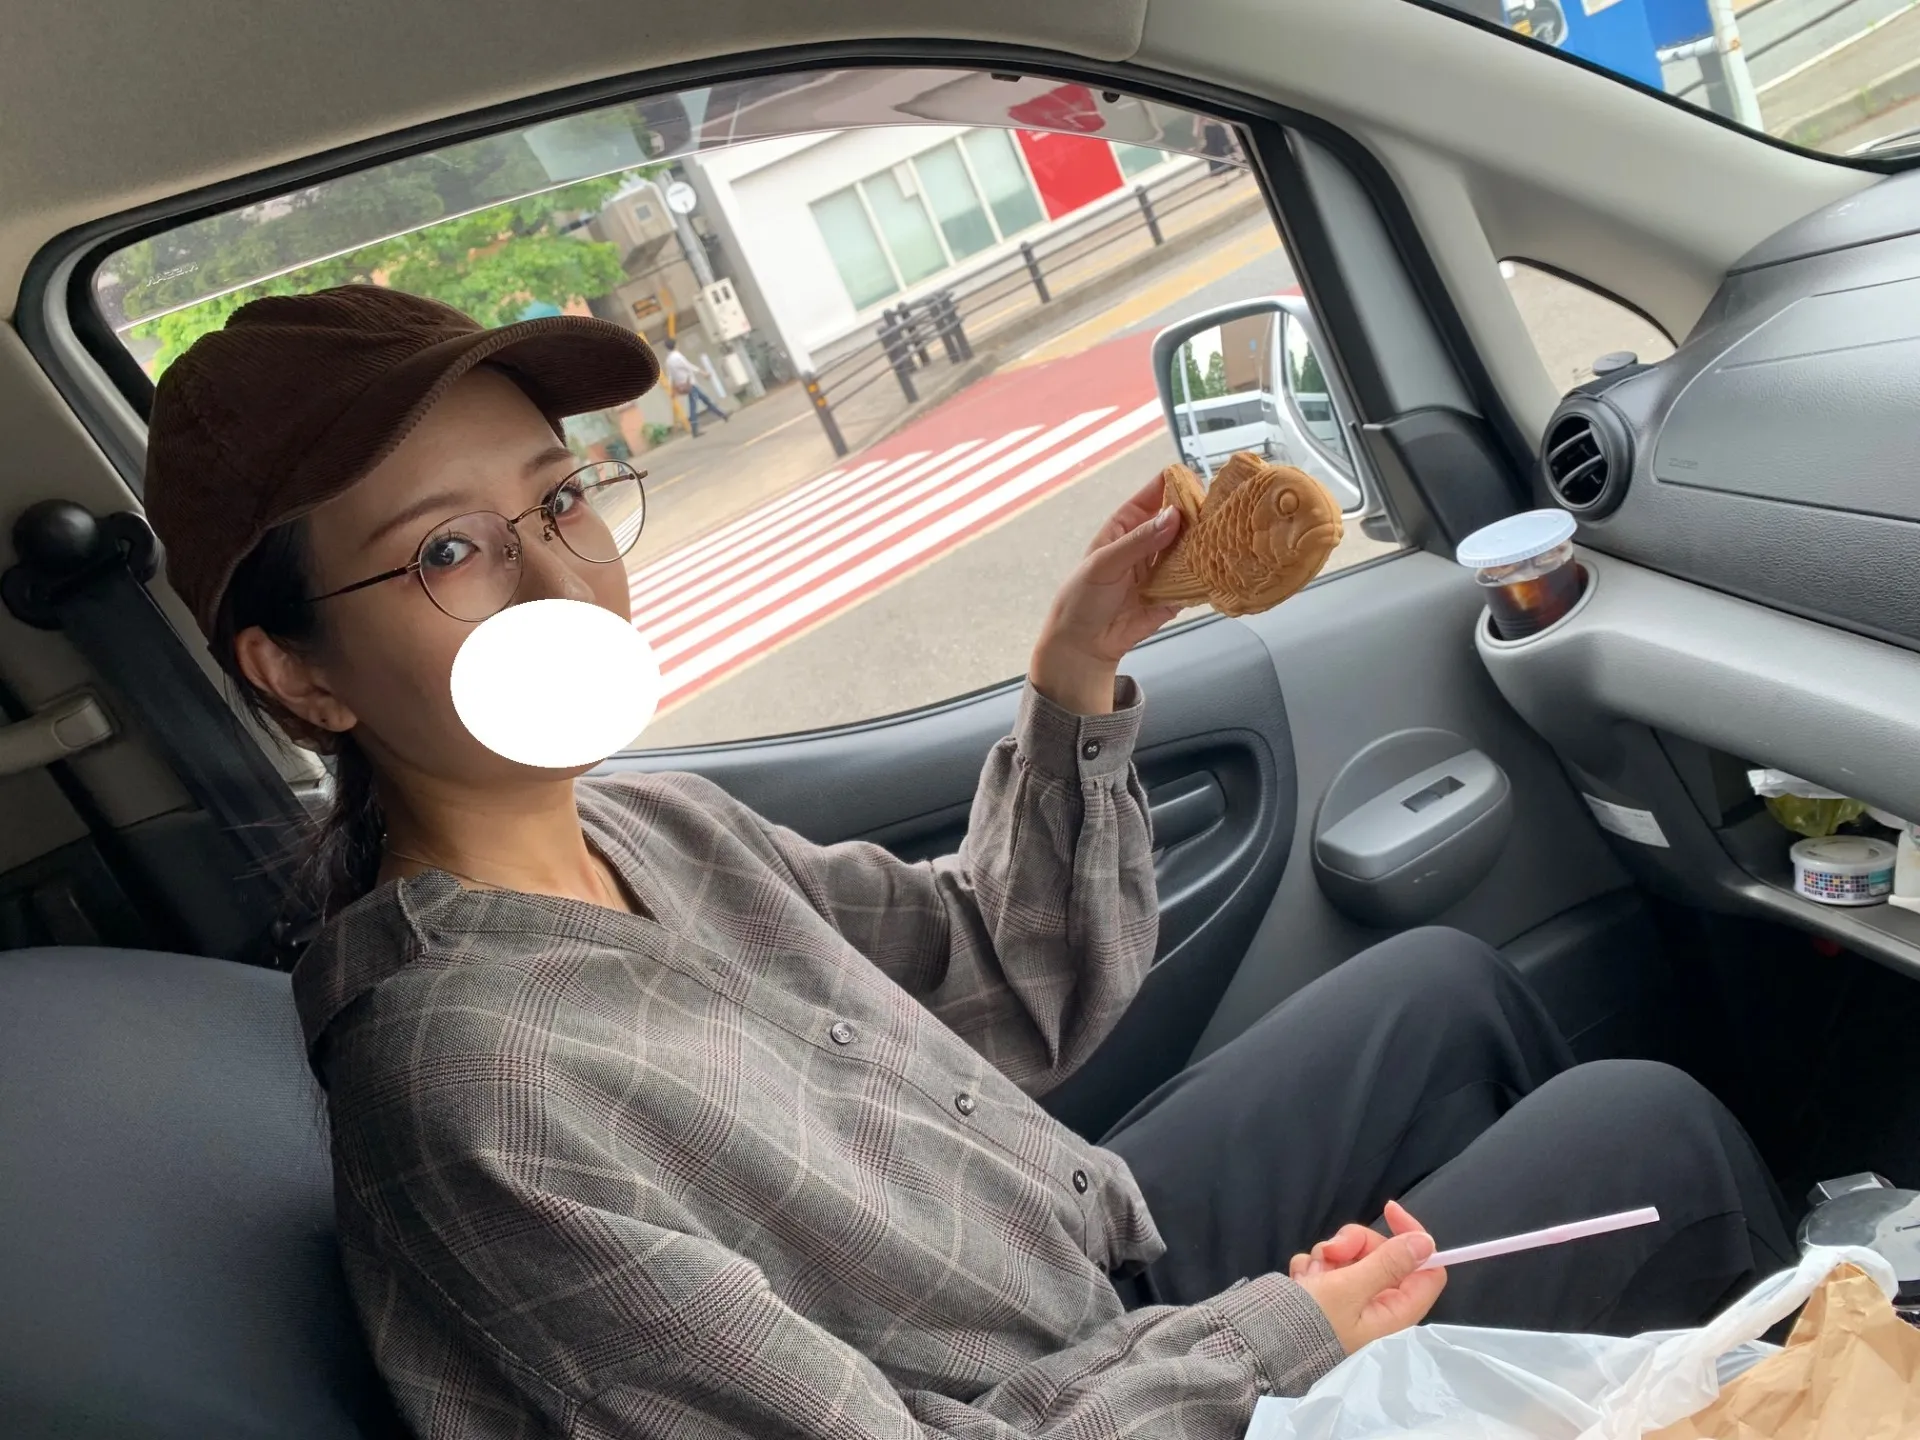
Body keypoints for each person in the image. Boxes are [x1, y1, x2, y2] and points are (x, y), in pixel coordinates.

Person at [142, 284, 1798, 1440]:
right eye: (446, 550)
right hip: (1040, 1402)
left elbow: (998, 987)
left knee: (1442, 988)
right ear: (300, 676)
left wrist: (1077, 669)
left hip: (1068, 1301)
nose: (563, 581)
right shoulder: (474, 1099)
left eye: (560, 497)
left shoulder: (648, 826)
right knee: (1645, 1132)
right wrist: (1275, 1337)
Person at [664, 335, 728, 435]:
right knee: (694, 405)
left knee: (705, 399)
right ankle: (695, 429)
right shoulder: (677, 356)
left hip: (683, 385)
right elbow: (689, 366)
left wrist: (672, 389)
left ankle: (723, 414)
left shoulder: (668, 361)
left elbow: (670, 376)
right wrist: (703, 372)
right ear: (675, 345)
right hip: (690, 384)